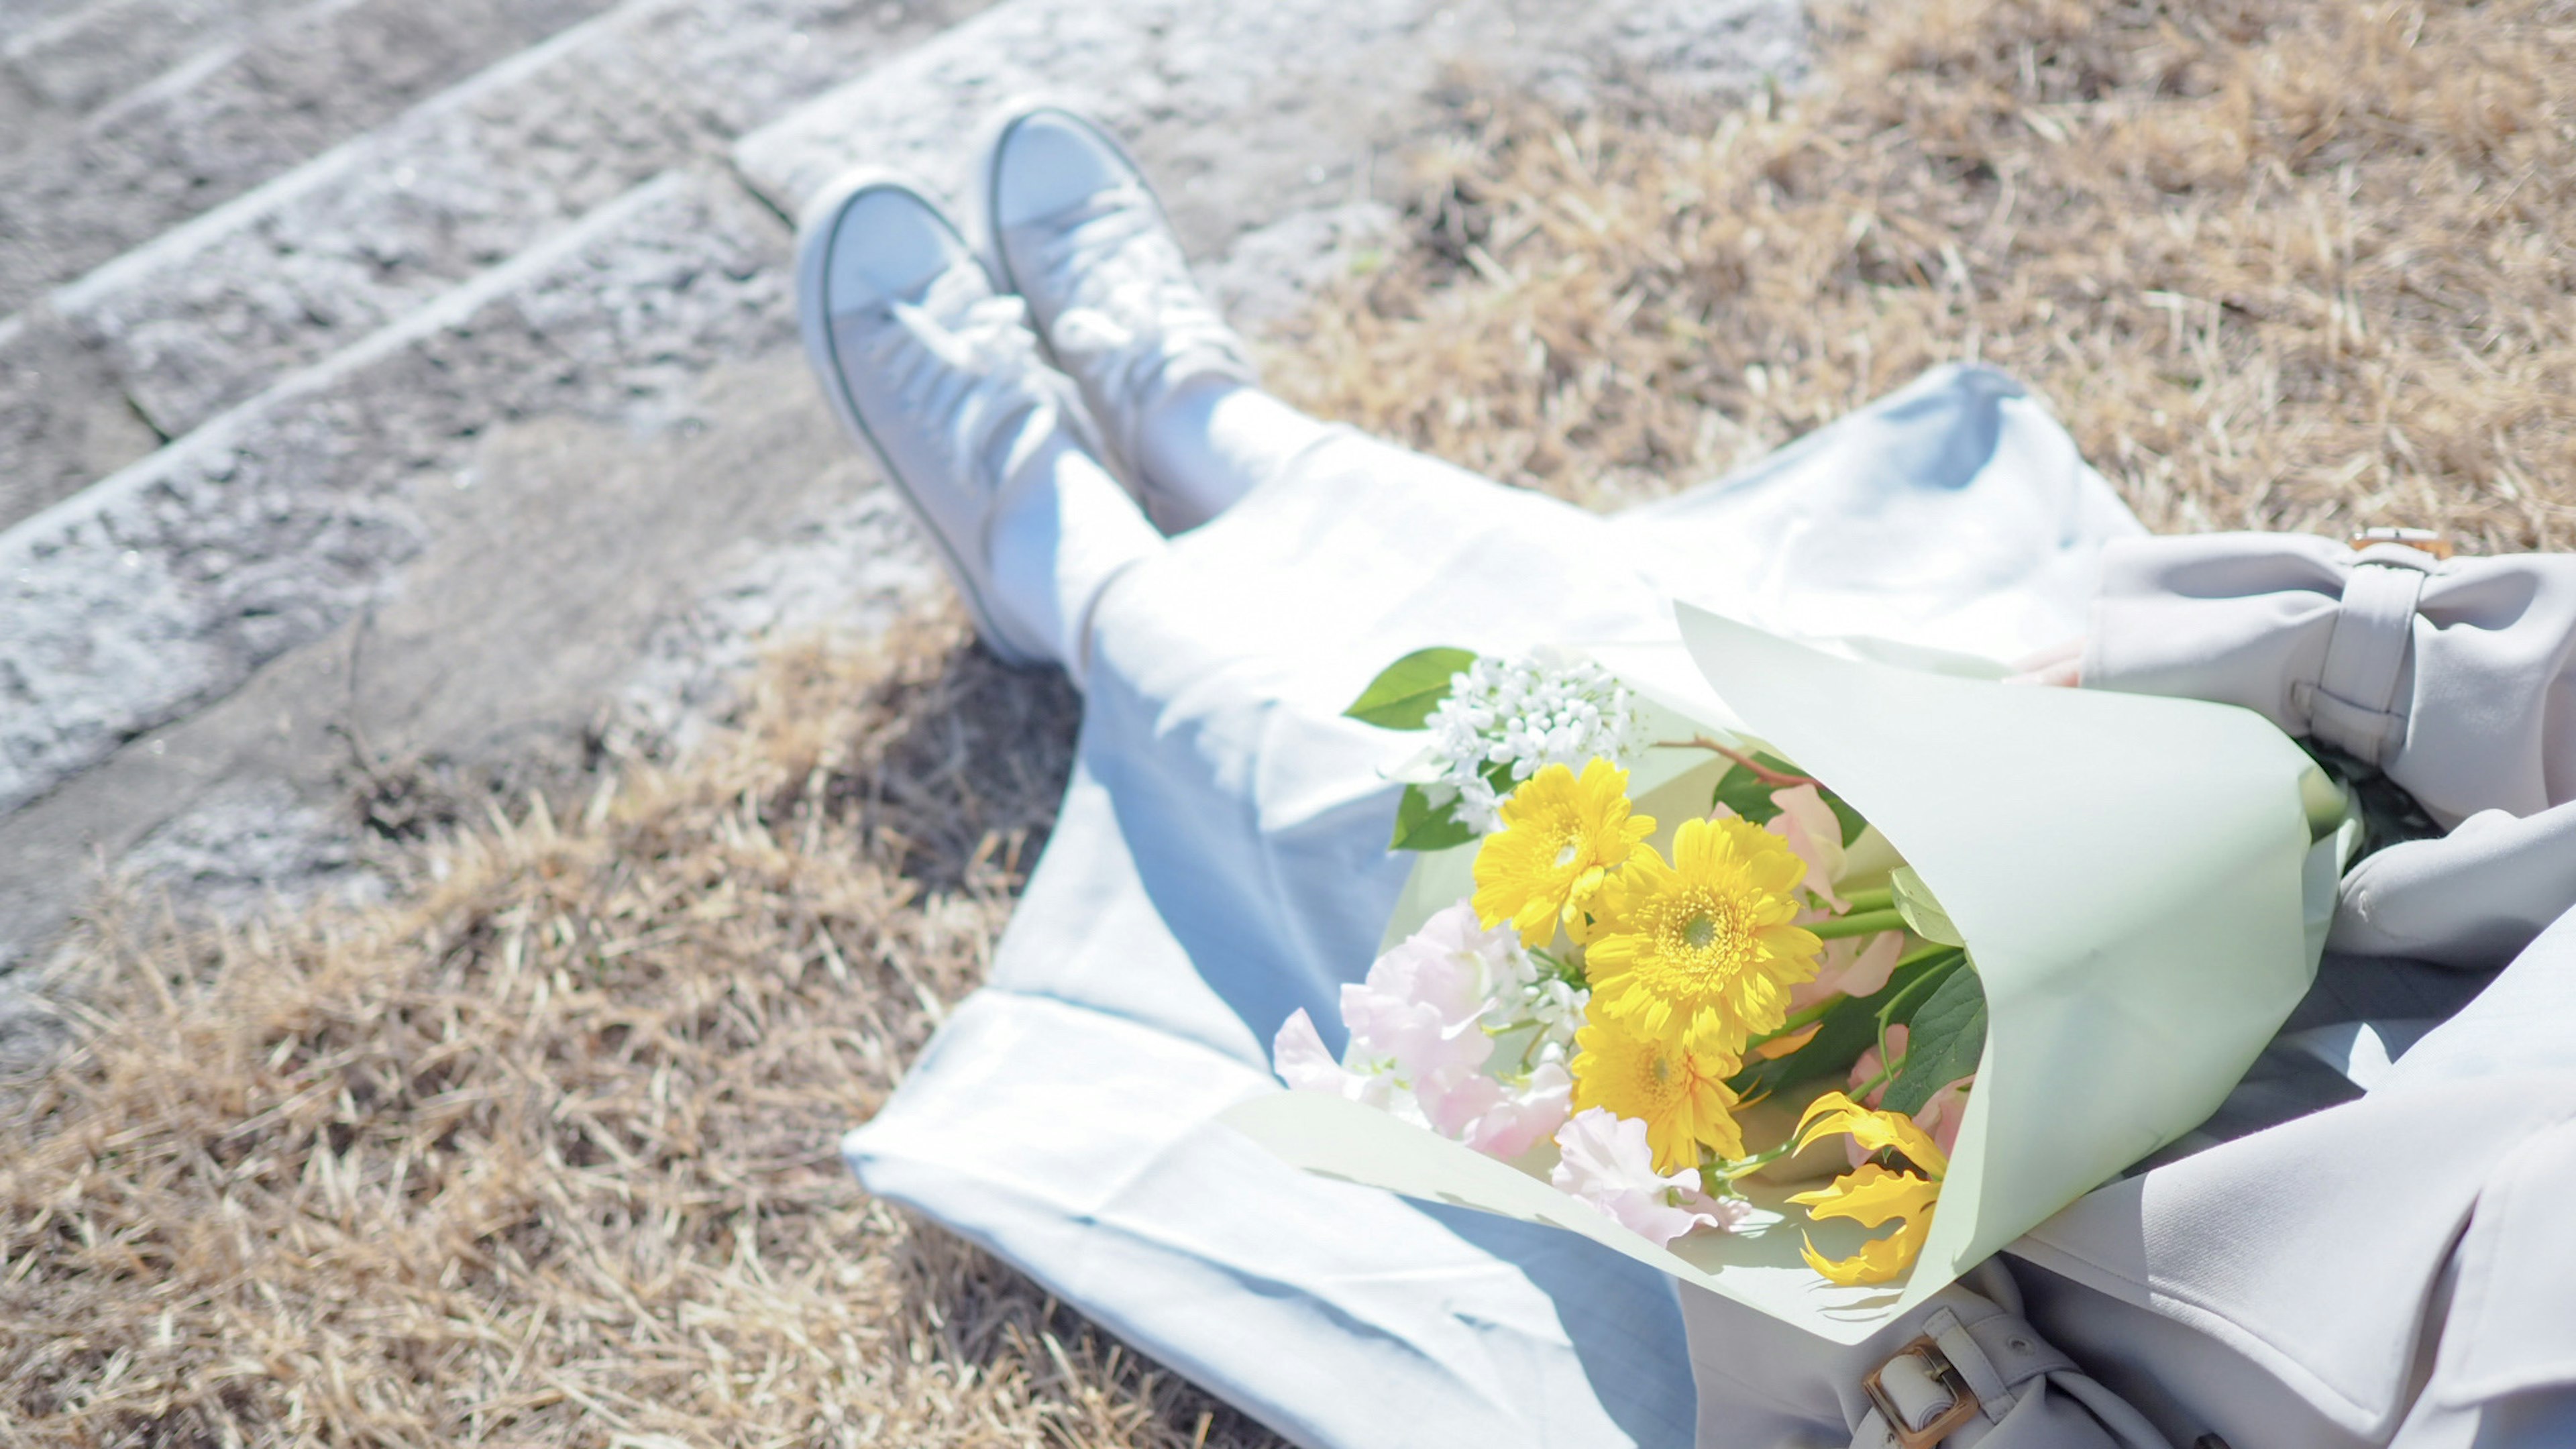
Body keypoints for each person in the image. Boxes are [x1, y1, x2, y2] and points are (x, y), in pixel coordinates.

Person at [795, 103, 2576, 1448]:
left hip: (2052, 1290)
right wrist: (2340, 662)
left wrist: (1908, 1356)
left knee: (1453, 880)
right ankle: (1218, 429)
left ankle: (1085, 576)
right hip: (2341, 930)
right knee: (1643, 671)